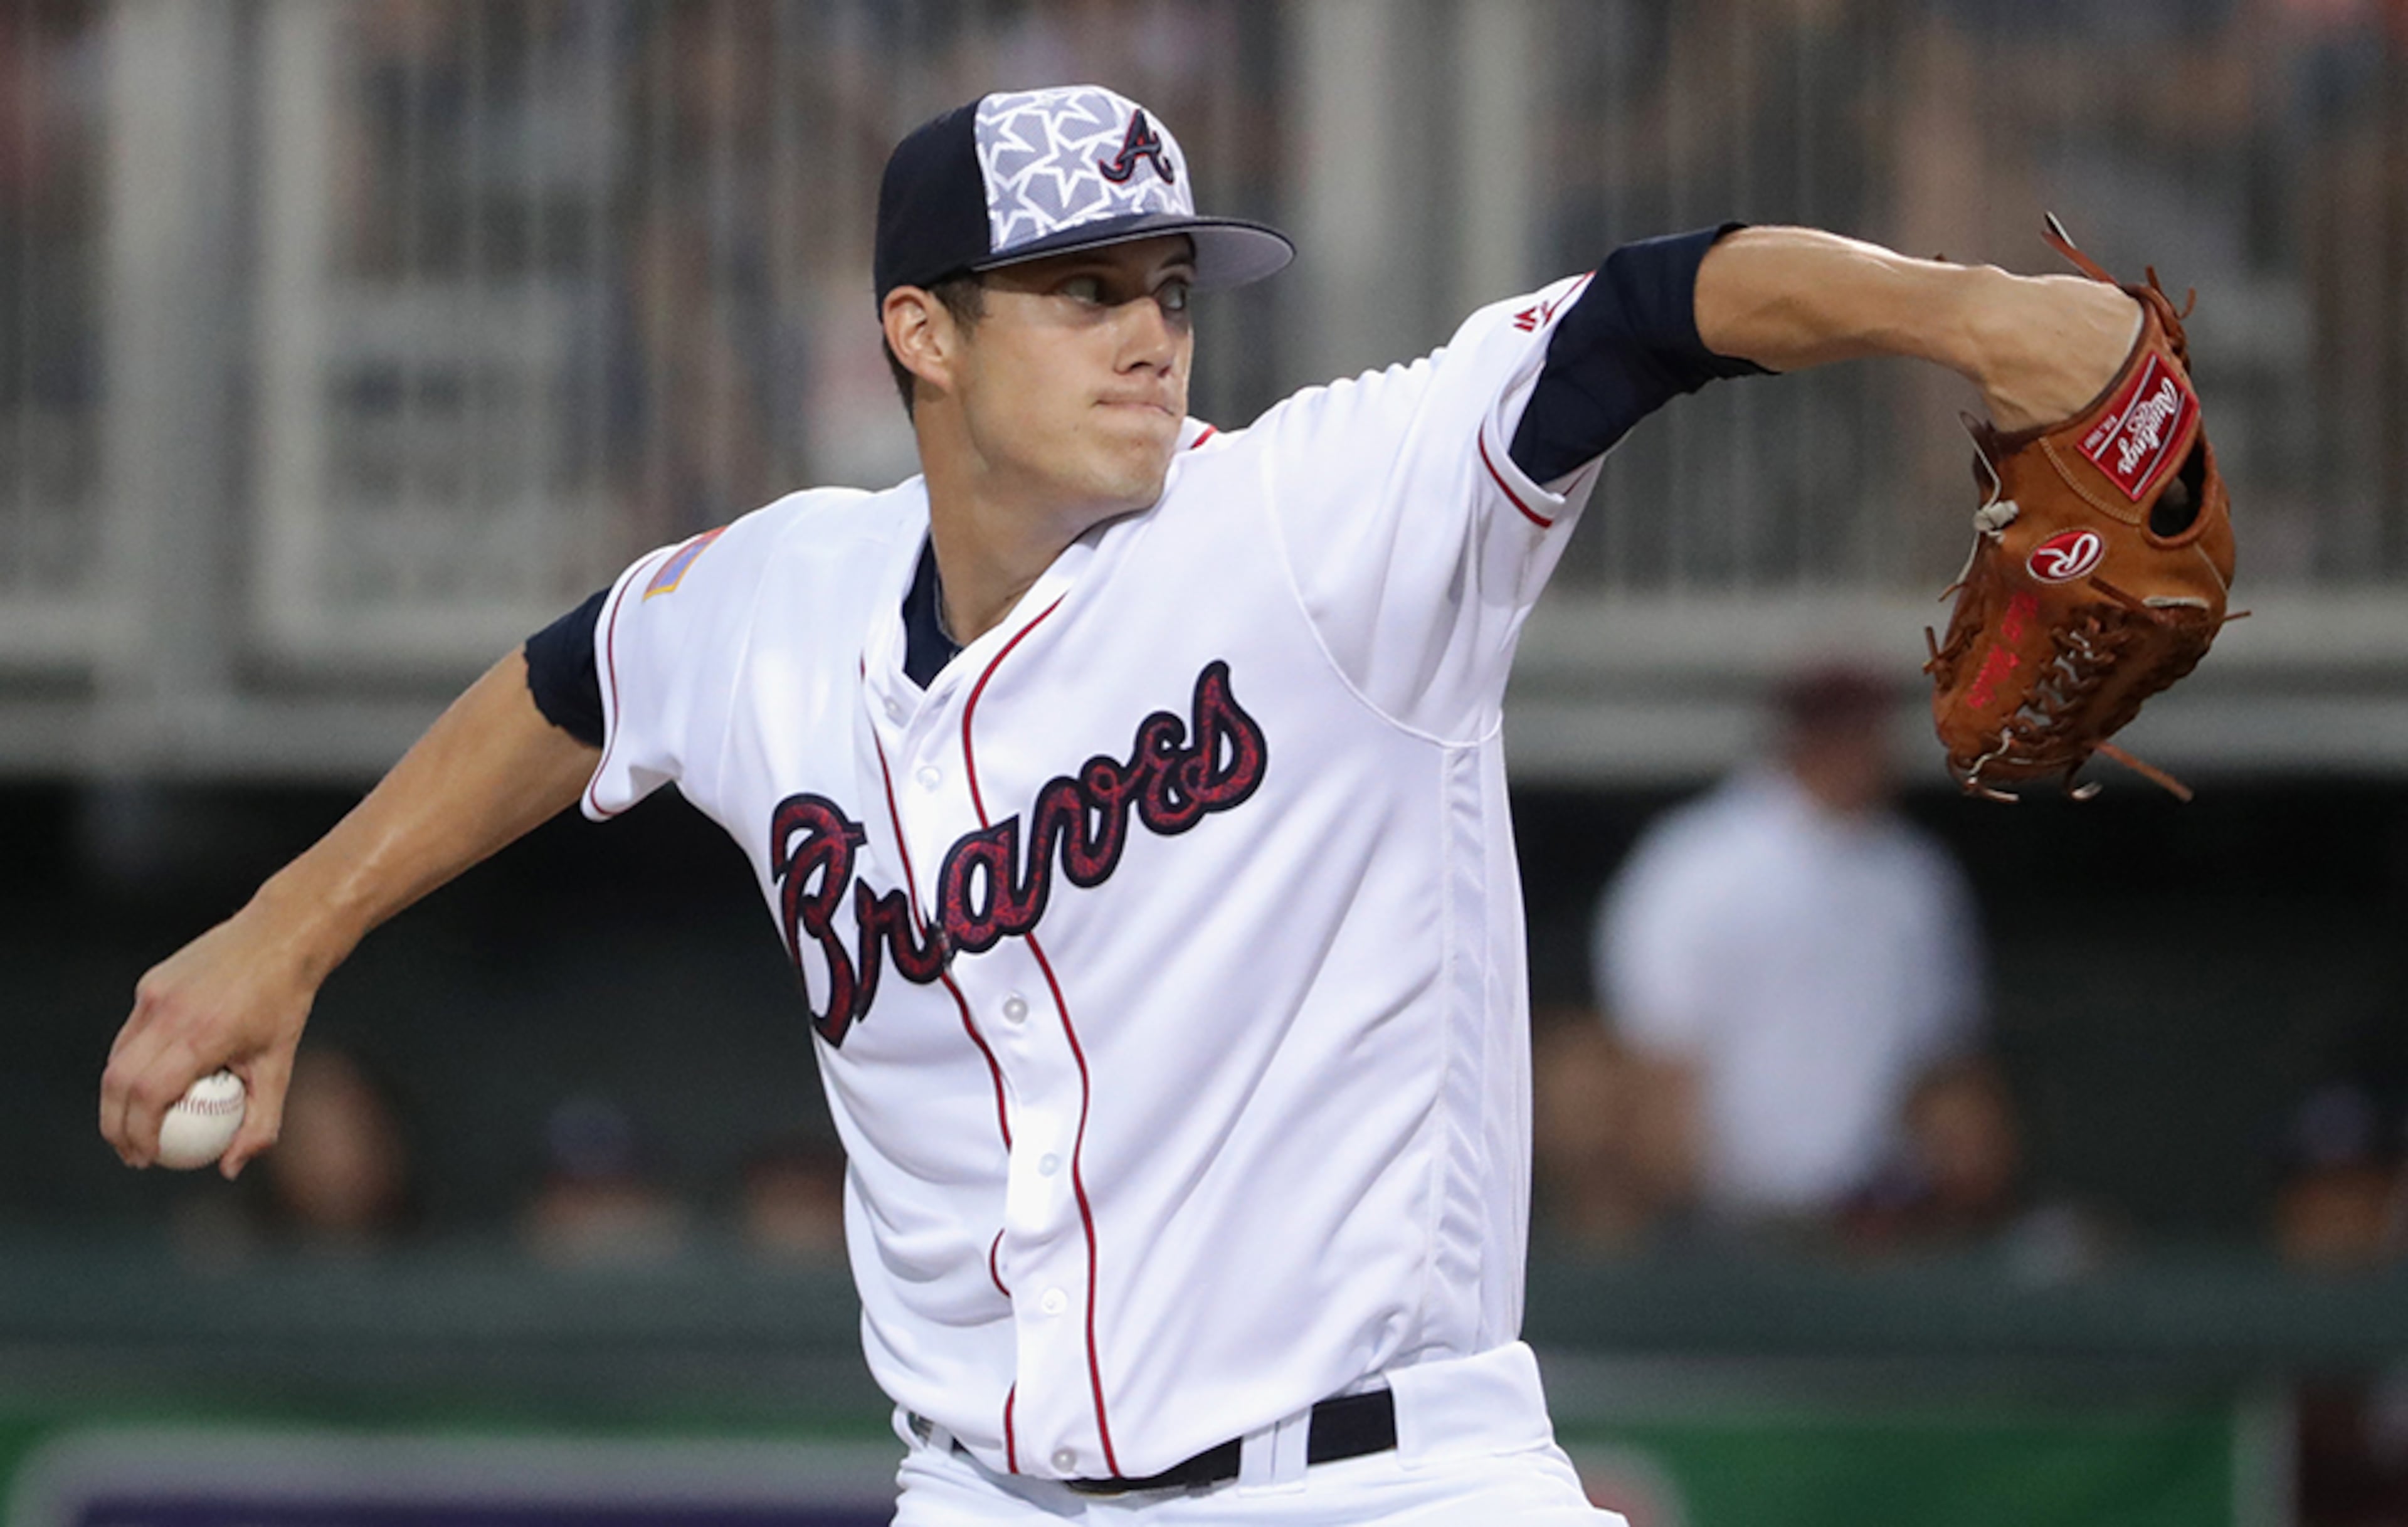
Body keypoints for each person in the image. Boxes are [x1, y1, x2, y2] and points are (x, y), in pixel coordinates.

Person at [100, 84, 2142, 1523]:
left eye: (1168, 283)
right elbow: (575, 679)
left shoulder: (1322, 524)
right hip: (983, 1491)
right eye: (1082, 290)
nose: (1150, 332)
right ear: (923, 332)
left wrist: (1964, 313)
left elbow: (1651, 311)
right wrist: (284, 930)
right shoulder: (776, 605)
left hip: (1381, 1479)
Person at [1588, 666, 2013, 1242]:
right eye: (1840, 731)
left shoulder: (1914, 879)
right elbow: (1657, 1057)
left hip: (1875, 1214)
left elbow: (1943, 1067)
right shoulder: (1698, 861)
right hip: (1726, 1219)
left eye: (1868, 732)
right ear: (1798, 737)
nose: (1860, 750)